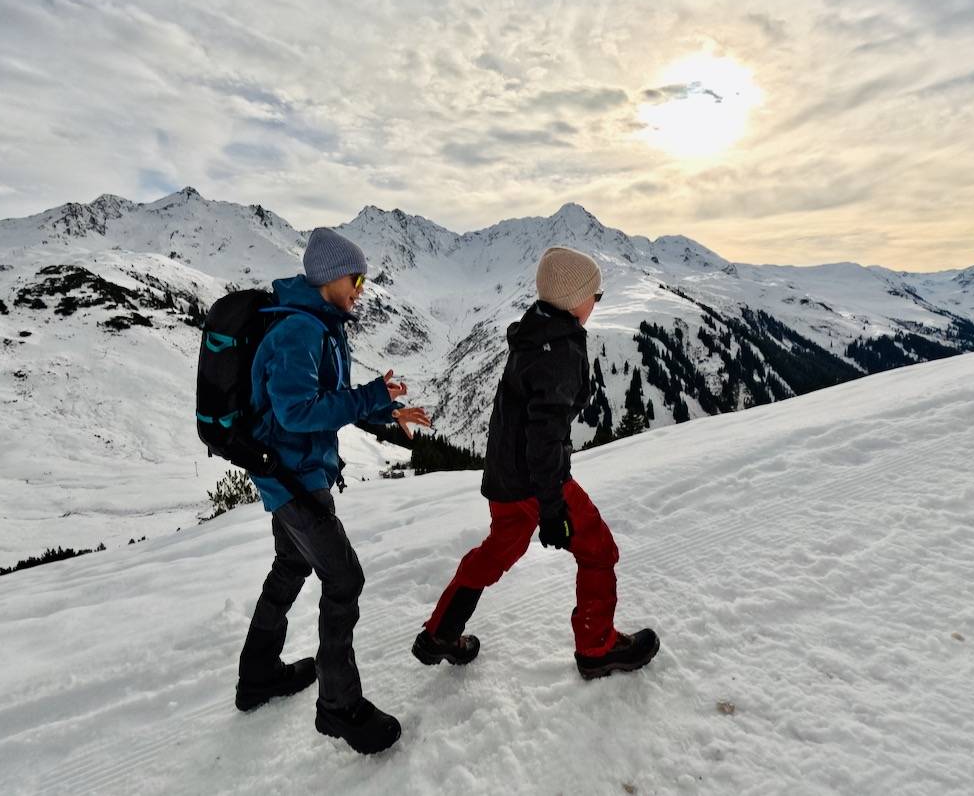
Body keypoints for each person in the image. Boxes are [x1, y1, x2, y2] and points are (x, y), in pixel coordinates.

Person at [411, 246, 659, 679]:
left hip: (506, 477)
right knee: (598, 549)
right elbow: (544, 438)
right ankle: (597, 647)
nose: (596, 303)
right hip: (537, 480)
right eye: (595, 295)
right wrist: (552, 508)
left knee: (497, 551)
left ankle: (440, 633)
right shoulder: (559, 351)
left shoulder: (534, 332)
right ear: (575, 300)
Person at [236, 227, 430, 755]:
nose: (361, 290)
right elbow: (297, 413)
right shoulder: (300, 331)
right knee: (344, 578)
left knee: (291, 565)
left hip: (293, 472)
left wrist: (384, 408)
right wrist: (367, 396)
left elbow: (331, 399)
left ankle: (257, 675)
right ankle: (338, 706)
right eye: (356, 279)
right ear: (329, 276)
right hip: (293, 477)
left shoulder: (320, 324)